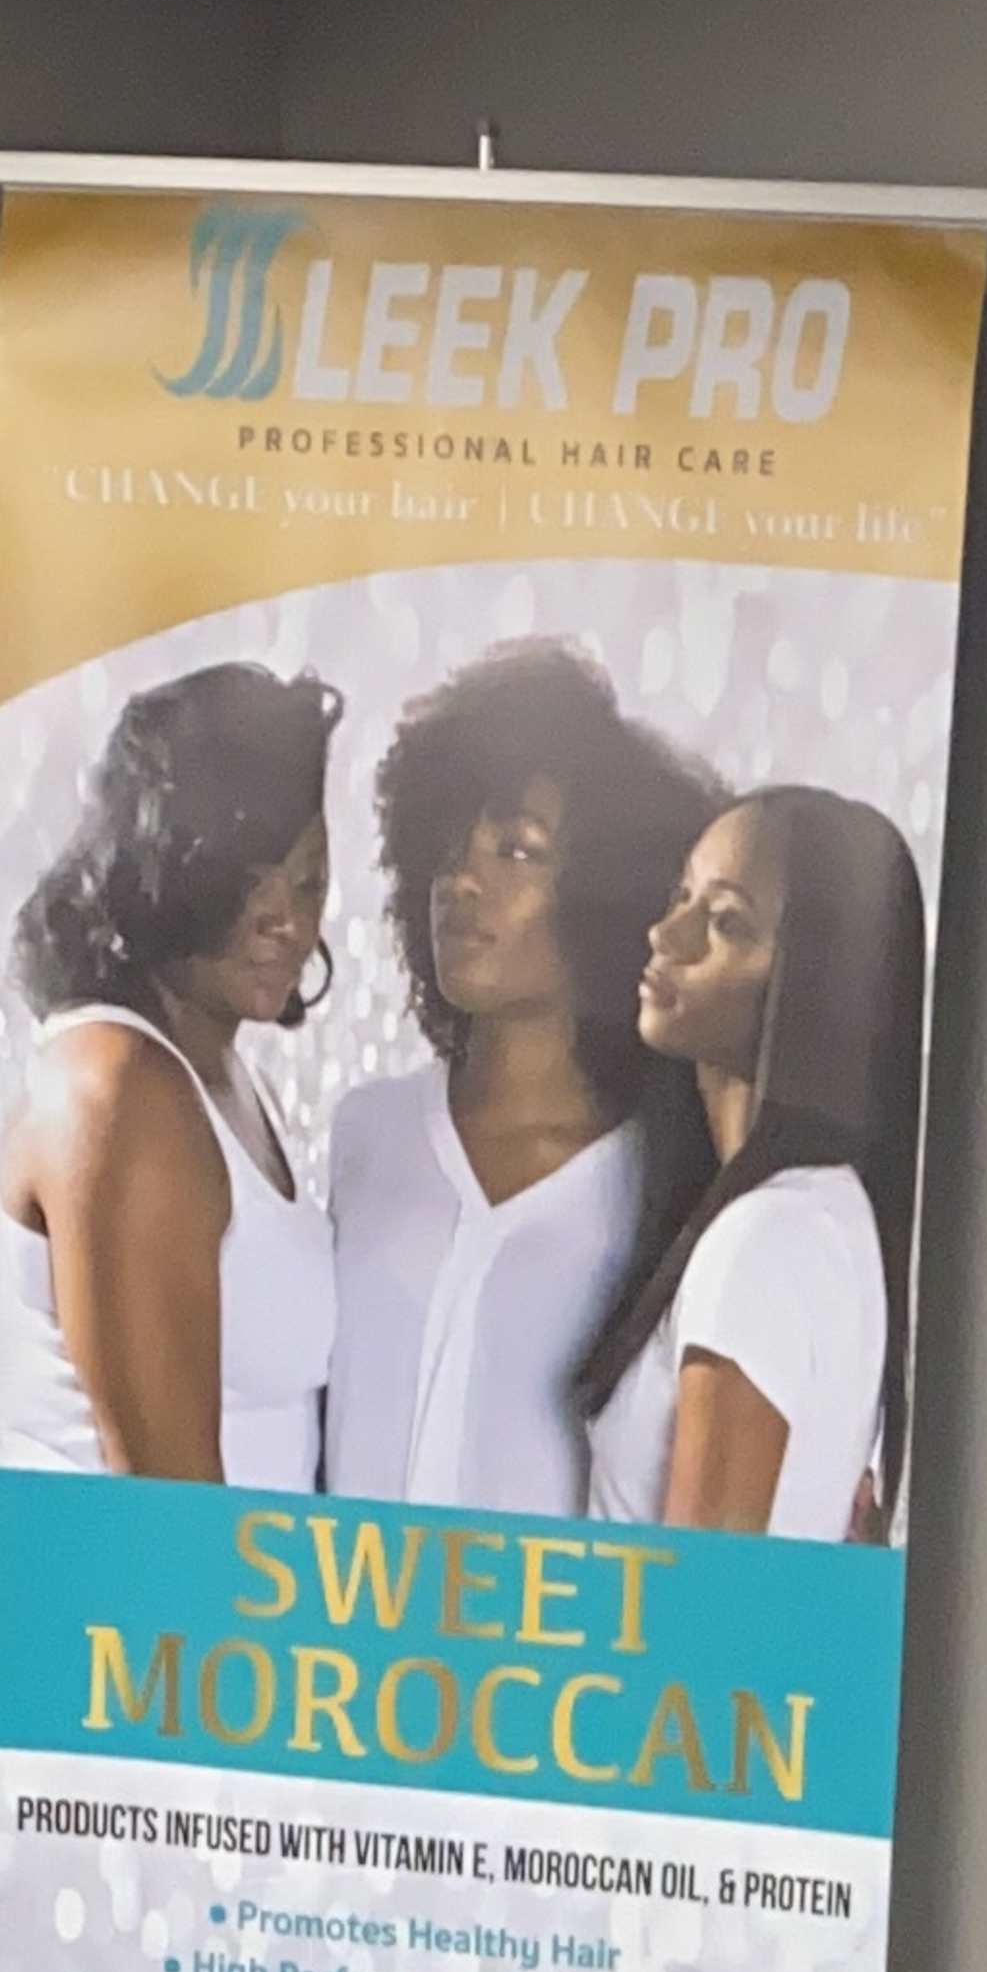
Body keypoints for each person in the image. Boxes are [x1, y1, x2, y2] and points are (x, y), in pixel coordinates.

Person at [322, 639, 719, 1512]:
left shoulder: (664, 1180)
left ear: (607, 893)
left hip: (547, 1648)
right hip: (338, 1641)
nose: (459, 882)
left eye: (516, 850)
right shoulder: (366, 1134)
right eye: (447, 847)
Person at [0, 666, 339, 1485]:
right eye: (247, 881)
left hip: (235, 1604)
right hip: (135, 1609)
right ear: (165, 870)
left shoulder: (225, 1081)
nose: (287, 919)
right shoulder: (116, 1088)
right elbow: (168, 1510)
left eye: (310, 877)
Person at [578, 789, 929, 1542]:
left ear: (815, 983)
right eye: (682, 896)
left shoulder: (760, 1242)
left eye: (725, 922)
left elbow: (703, 1622)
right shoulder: (832, 1215)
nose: (665, 934)